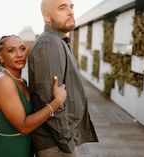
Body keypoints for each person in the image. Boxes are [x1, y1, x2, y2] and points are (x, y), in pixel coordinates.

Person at [28, 0, 99, 156]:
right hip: (55, 144)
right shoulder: (49, 45)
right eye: (62, 8)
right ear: (47, 17)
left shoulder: (57, 41)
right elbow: (49, 98)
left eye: (71, 6)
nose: (71, 11)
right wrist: (66, 140)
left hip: (59, 141)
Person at [0, 35, 67, 157]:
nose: (19, 54)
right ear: (1, 57)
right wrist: (57, 101)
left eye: (22, 49)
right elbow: (23, 127)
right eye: (11, 50)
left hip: (25, 149)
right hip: (6, 150)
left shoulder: (22, 81)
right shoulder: (2, 81)